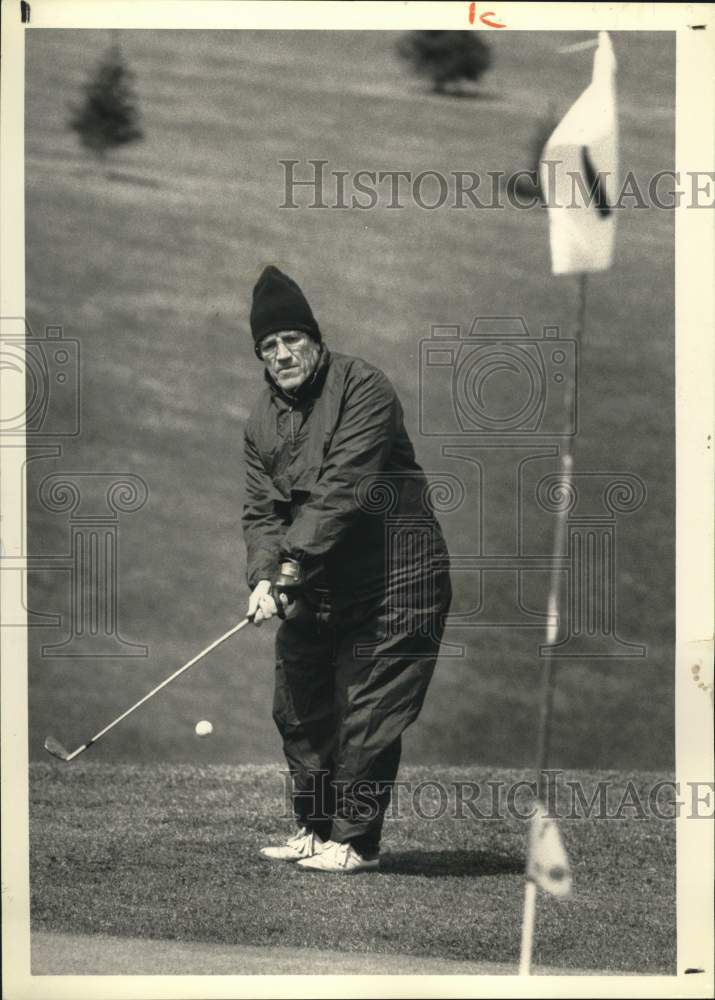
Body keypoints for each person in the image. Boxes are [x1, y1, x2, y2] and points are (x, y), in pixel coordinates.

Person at [242, 265, 452, 873]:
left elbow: (343, 489)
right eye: (268, 346)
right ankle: (312, 827)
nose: (281, 354)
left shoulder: (364, 388)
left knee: (368, 711)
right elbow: (262, 511)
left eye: (291, 340)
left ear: (315, 340)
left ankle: (355, 842)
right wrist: (263, 575)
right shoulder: (260, 422)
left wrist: (288, 572)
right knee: (299, 698)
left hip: (399, 581)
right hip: (319, 581)